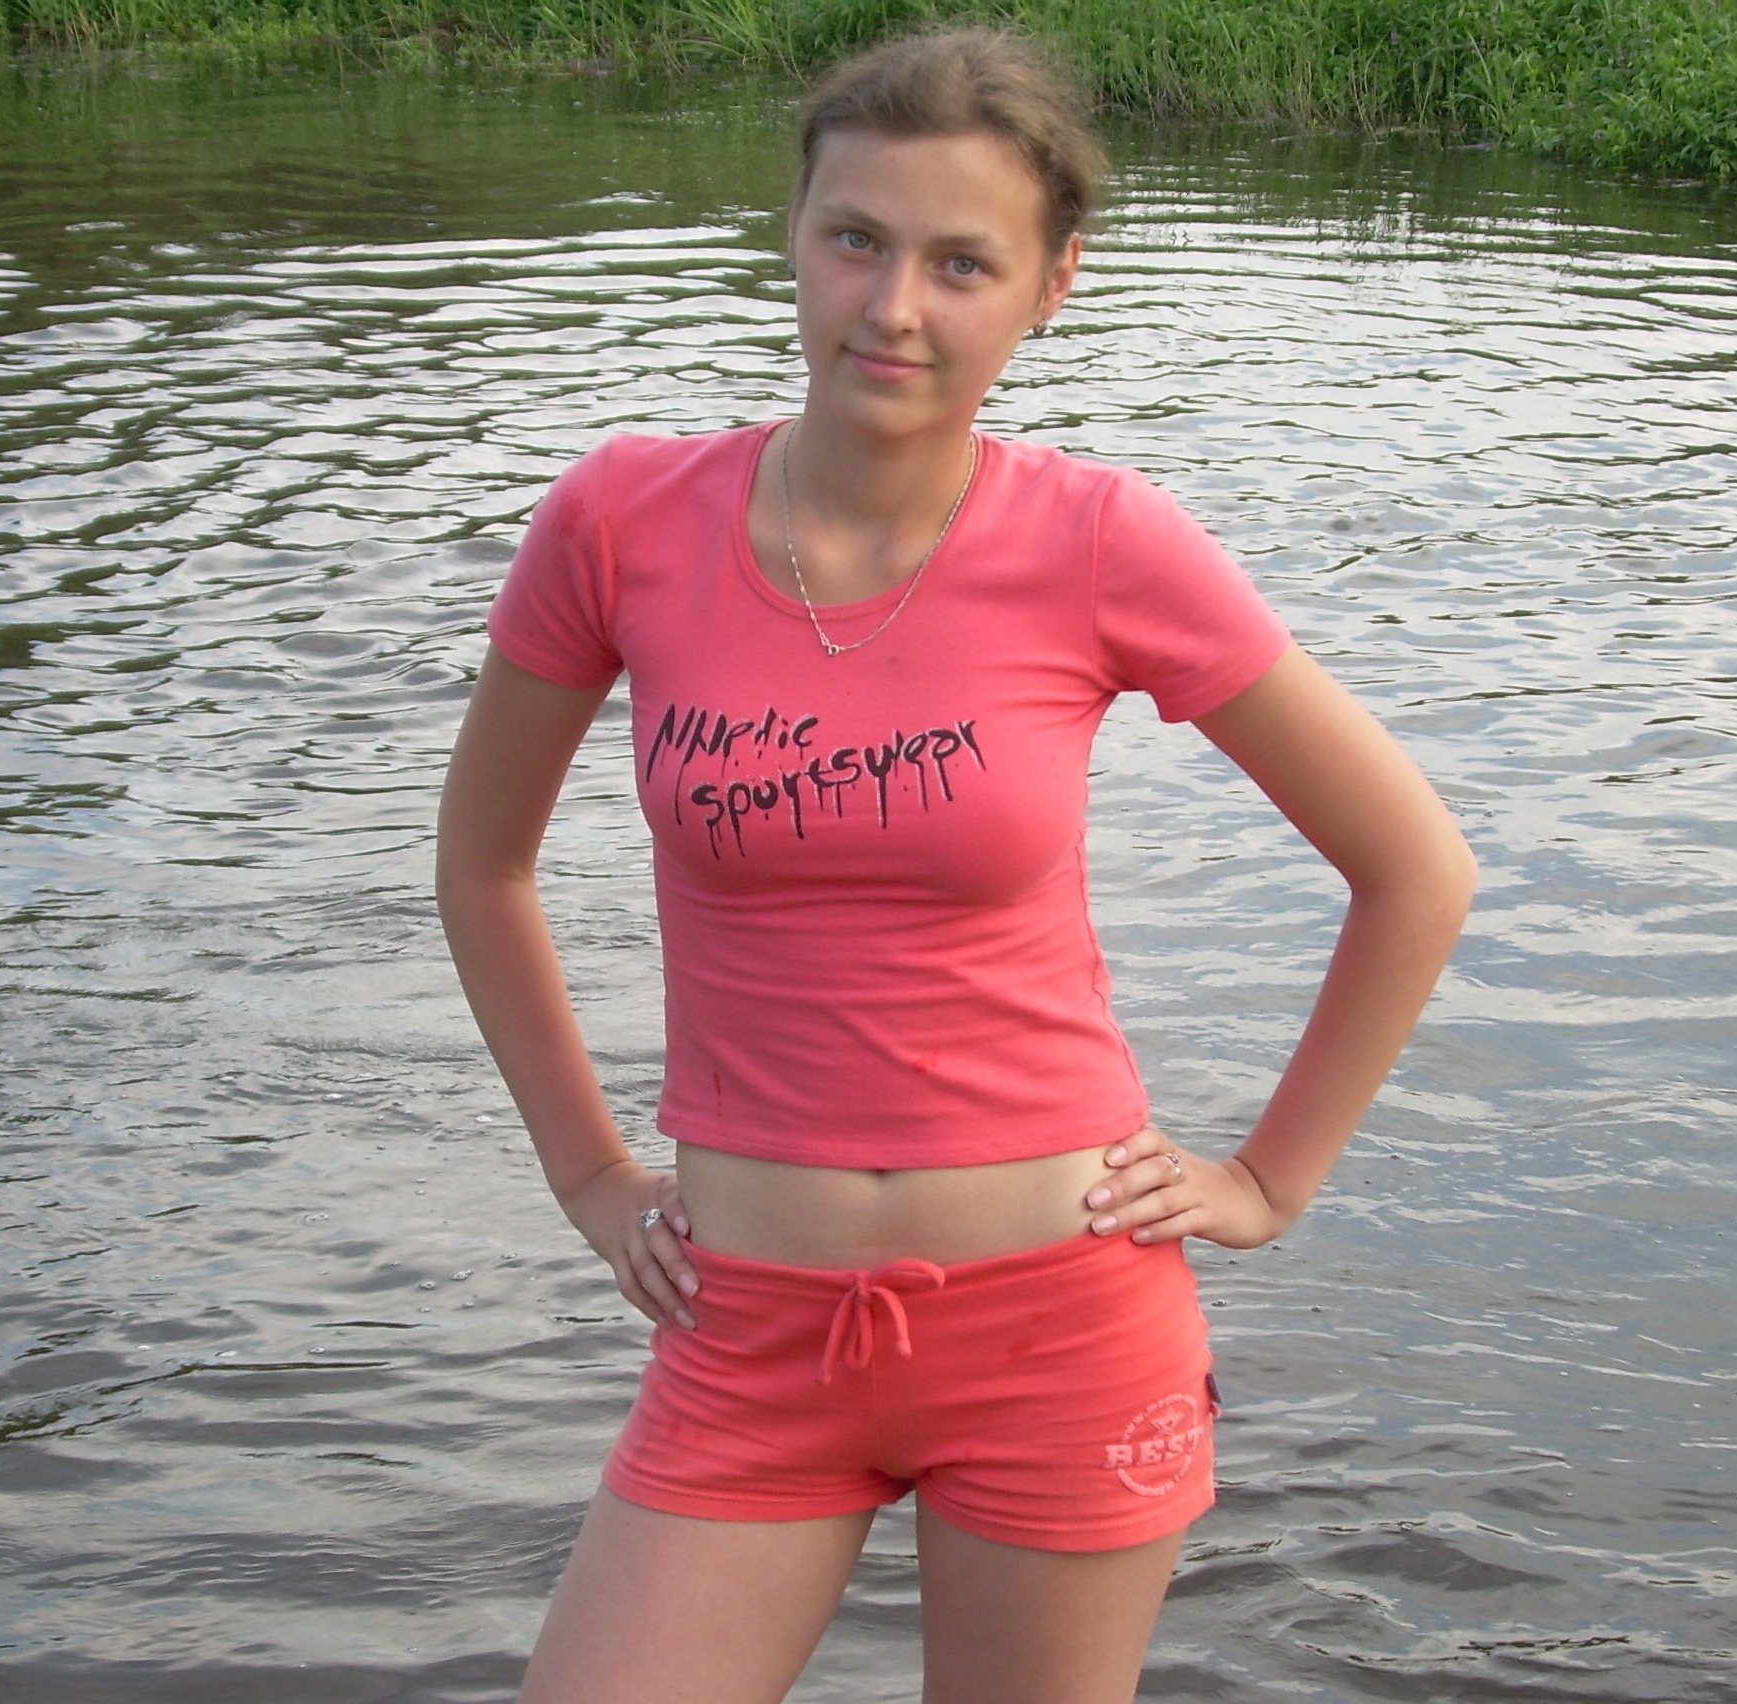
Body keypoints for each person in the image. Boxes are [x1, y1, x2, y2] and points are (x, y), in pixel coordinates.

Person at [435, 27, 1475, 1704]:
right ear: (794, 231)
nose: (894, 306)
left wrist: (1269, 1182)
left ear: (1051, 287)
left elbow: (1415, 866)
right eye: (856, 238)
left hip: (1064, 1328)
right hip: (746, 1332)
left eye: (962, 263)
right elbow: (484, 863)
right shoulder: (624, 520)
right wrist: (591, 1176)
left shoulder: (1101, 540)